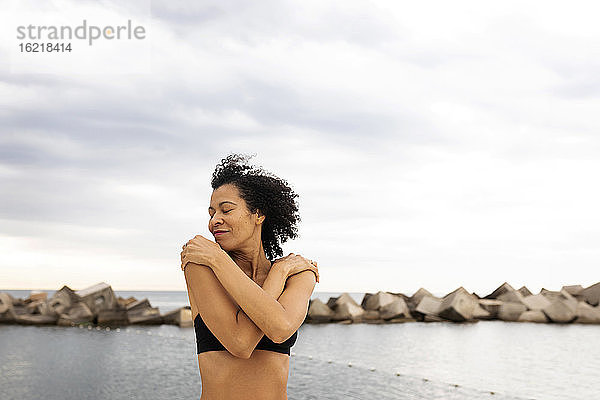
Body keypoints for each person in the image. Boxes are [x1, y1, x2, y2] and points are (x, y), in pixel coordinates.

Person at [180, 153, 319, 400]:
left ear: (258, 214)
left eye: (226, 210)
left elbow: (279, 329)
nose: (214, 221)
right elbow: (240, 343)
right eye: (211, 213)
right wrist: (218, 259)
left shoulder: (297, 274)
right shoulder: (202, 267)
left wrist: (278, 270)